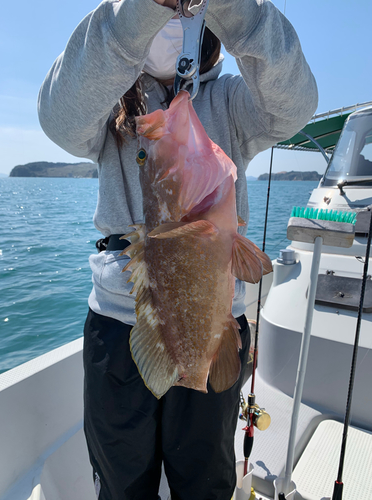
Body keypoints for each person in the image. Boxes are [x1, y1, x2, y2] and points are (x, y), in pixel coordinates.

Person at [38, 0, 318, 499]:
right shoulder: (110, 101)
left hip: (211, 331)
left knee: (206, 484)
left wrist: (238, 8)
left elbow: (294, 106)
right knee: (123, 486)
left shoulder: (231, 101)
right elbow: (59, 118)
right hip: (118, 332)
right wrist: (134, 16)